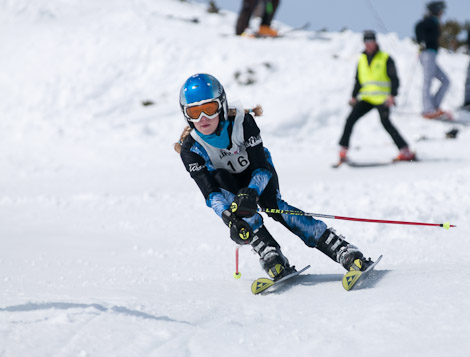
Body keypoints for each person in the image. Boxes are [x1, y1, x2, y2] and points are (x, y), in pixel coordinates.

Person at [175, 73, 374, 281]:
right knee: (231, 200)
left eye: (208, 109)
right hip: (229, 184)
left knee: (274, 206)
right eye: (194, 112)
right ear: (186, 114)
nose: (203, 118)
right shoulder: (191, 148)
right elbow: (210, 193)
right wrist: (230, 219)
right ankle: (269, 251)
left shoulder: (243, 123)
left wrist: (252, 192)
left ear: (222, 105)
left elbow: (261, 167)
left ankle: (340, 248)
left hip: (258, 175)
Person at [338, 30, 416, 164]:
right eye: (366, 42)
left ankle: (405, 150)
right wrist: (353, 96)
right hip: (367, 98)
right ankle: (343, 150)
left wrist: (392, 95)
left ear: (376, 42)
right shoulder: (361, 59)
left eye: (371, 41)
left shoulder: (385, 58)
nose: (369, 44)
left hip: (382, 98)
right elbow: (358, 80)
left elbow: (394, 79)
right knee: (350, 119)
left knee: (386, 123)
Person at [415, 1, 451, 120]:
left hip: (432, 55)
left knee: (446, 81)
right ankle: (428, 109)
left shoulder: (434, 22)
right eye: (441, 11)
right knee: (428, 81)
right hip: (427, 55)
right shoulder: (429, 21)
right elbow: (418, 27)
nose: (442, 13)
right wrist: (421, 41)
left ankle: (434, 106)